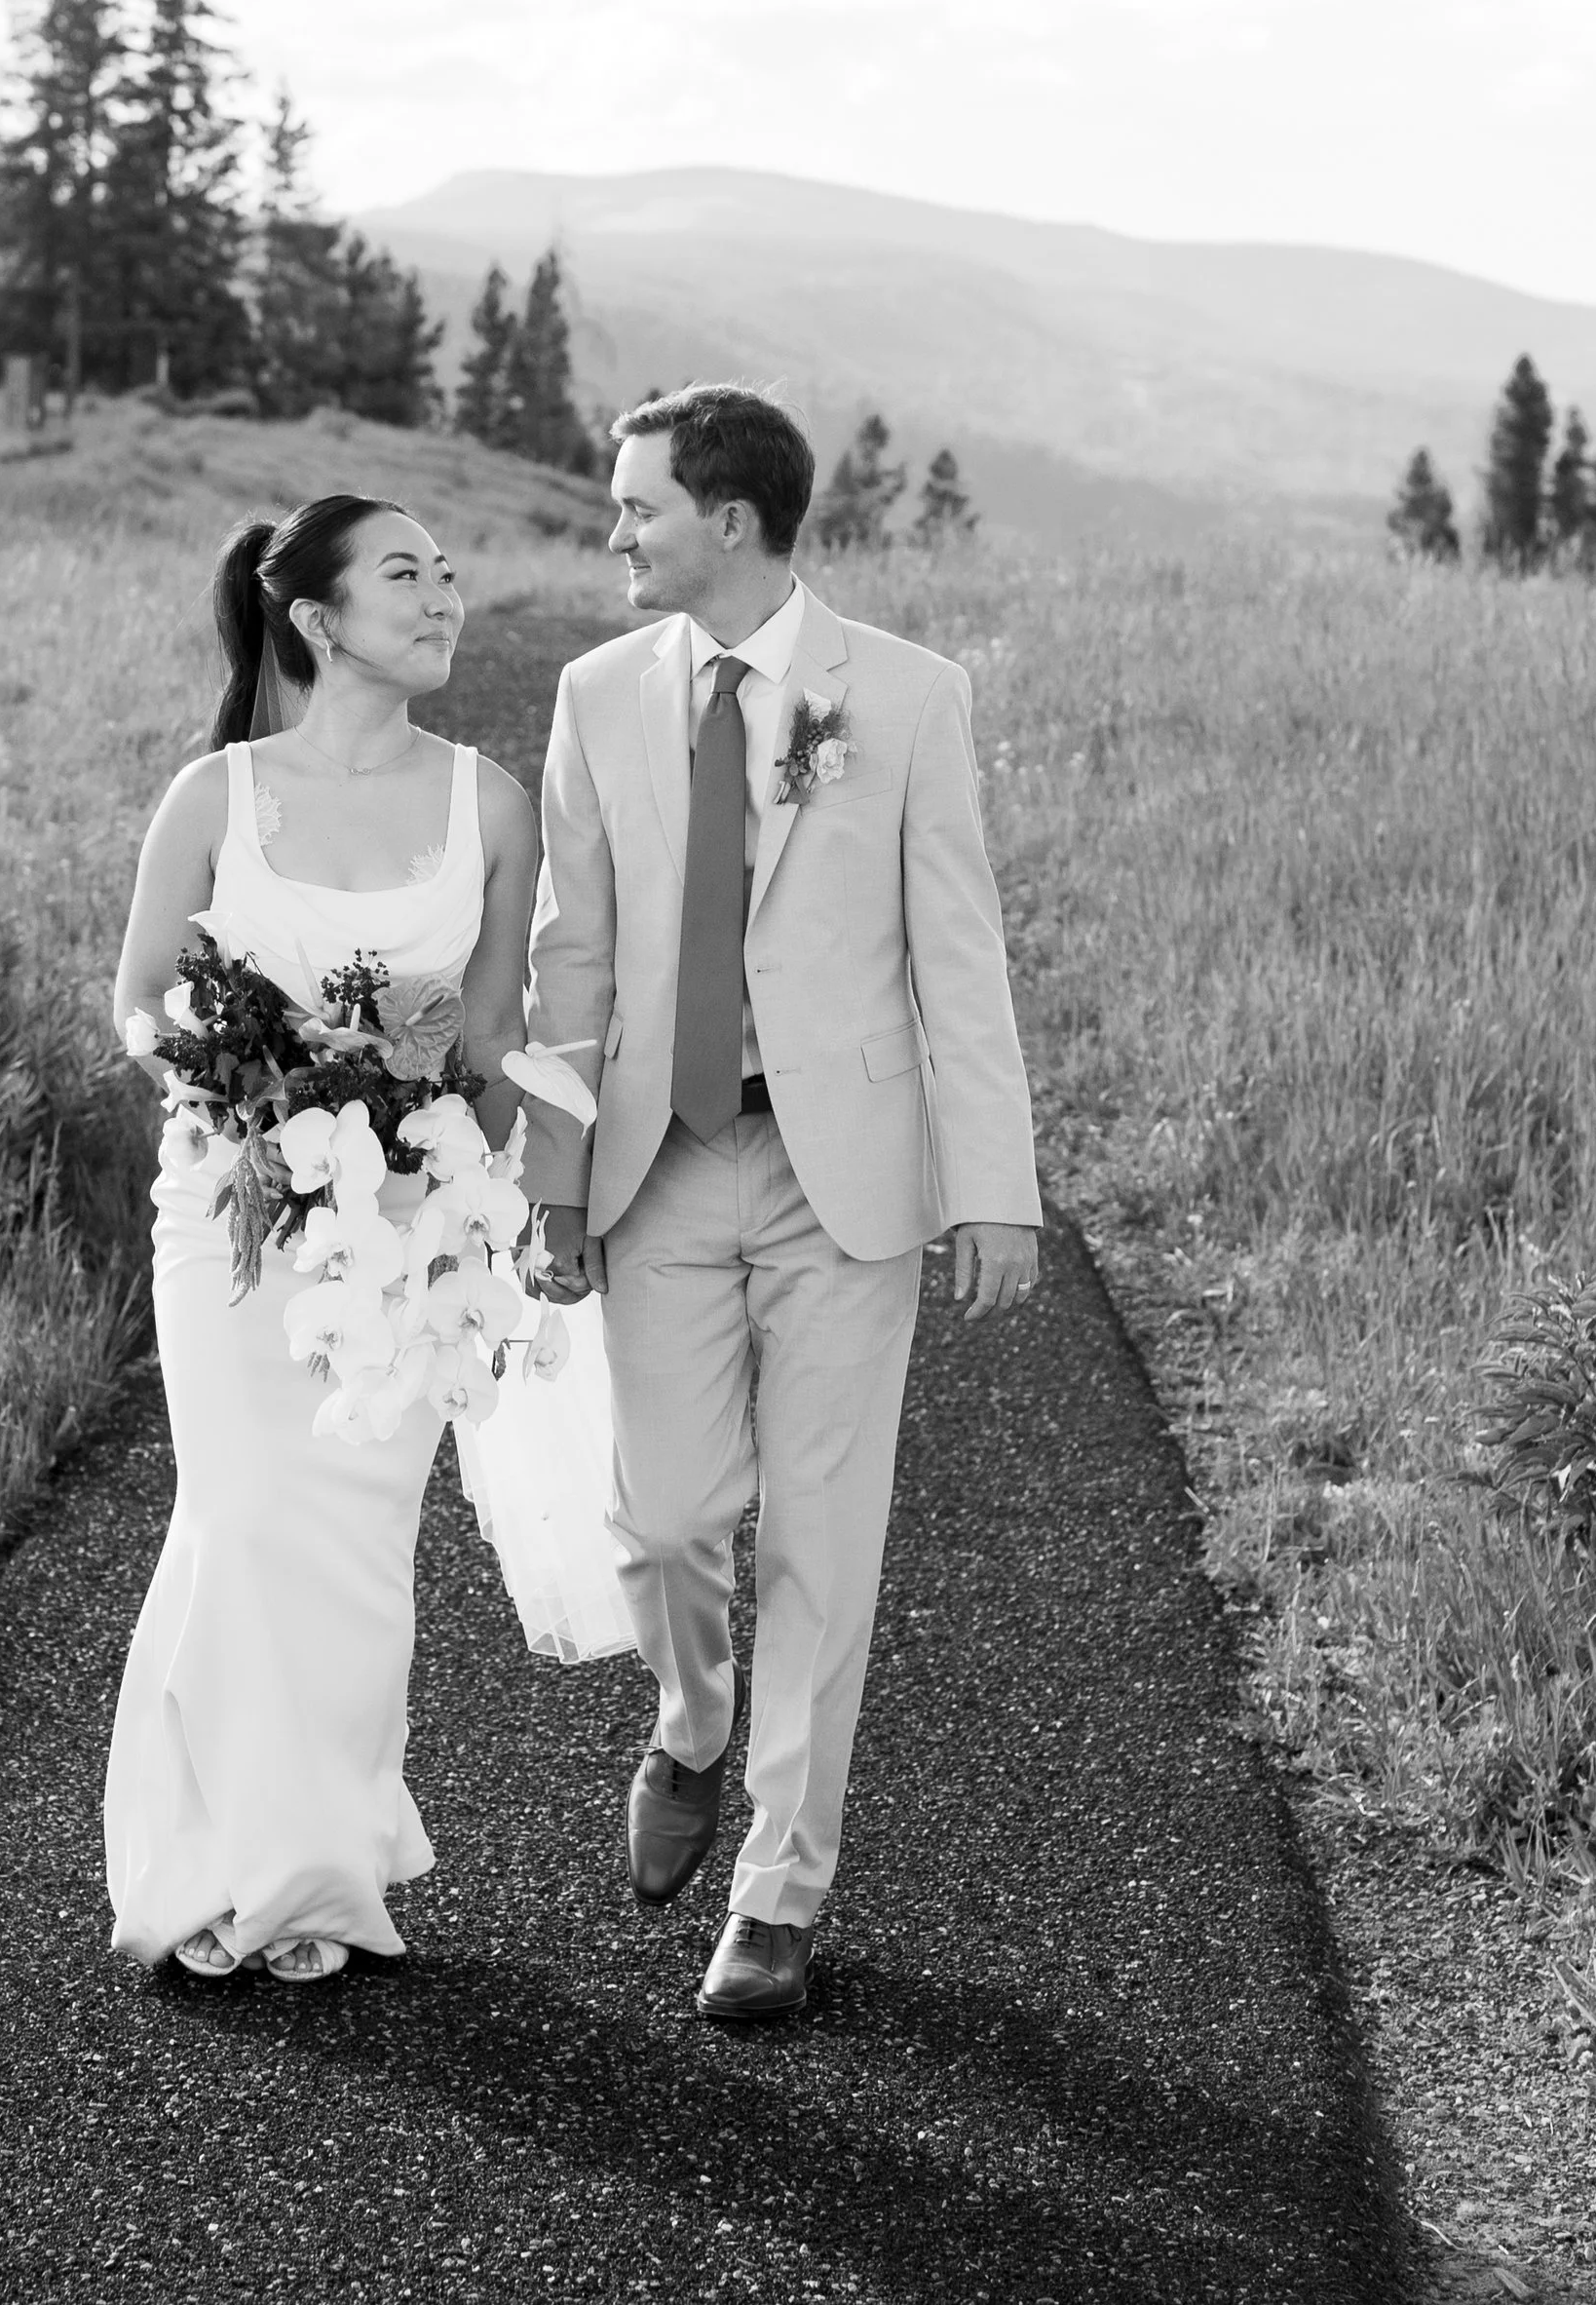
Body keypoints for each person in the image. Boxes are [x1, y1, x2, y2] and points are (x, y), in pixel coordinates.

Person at [520, 382, 1044, 2022]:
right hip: (657, 1163)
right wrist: (553, 1181)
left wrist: (996, 1185)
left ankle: (779, 1891)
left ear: (728, 522)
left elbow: (958, 953)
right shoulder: (598, 696)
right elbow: (570, 958)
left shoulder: (904, 696)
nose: (614, 531)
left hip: (848, 1185)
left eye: (636, 507)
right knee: (665, 1519)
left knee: (825, 1539)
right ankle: (689, 1719)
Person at [102, 492, 543, 1985]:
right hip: (231, 1210)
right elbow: (141, 994)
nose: (441, 596)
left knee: (354, 1543)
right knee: (244, 1513)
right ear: (314, 616)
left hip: (405, 1221)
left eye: (449, 570)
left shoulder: (489, 801)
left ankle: (316, 1868)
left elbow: (490, 1033)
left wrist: (466, 1180)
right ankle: (235, 1868)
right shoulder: (217, 795)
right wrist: (220, 1080)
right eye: (404, 574)